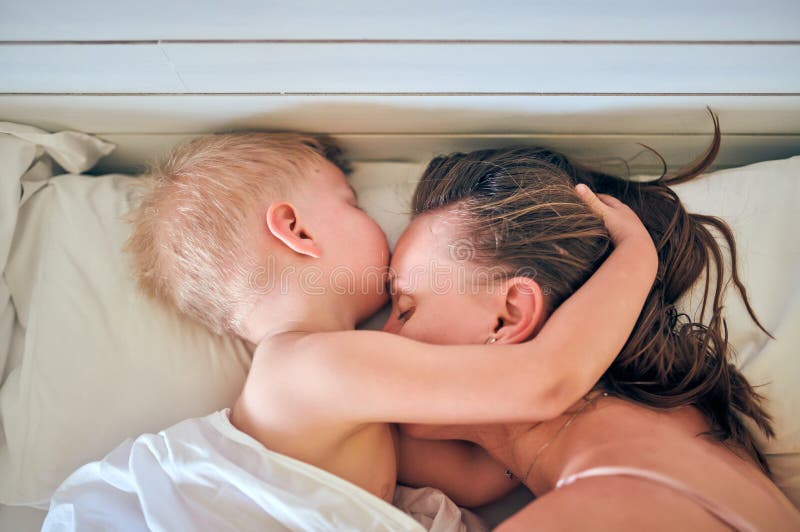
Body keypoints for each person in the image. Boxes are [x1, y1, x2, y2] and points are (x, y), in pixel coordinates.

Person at [123, 132, 654, 506]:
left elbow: (472, 480)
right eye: (351, 204)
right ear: (296, 230)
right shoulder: (311, 368)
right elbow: (545, 381)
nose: (377, 224)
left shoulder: (332, 391)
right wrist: (636, 256)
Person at [388, 120, 800, 530]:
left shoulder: (602, 508)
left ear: (510, 314)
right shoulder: (681, 431)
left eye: (405, 309)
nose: (379, 338)